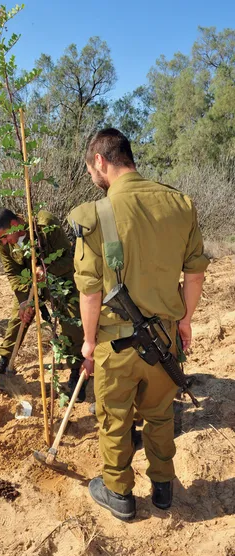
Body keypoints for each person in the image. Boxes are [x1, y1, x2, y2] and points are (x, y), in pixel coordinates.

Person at [69, 128, 209, 521]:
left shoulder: (95, 215)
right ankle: (163, 489)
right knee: (162, 413)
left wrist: (88, 343)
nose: (92, 177)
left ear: (101, 160)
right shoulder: (180, 204)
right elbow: (194, 276)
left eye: (90, 168)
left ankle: (120, 494)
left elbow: (91, 294)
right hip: (164, 338)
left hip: (114, 344)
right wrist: (184, 323)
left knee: (114, 417)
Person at [0, 207, 87, 401]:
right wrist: (24, 303)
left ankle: (76, 372)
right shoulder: (2, 242)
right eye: (0, 240)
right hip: (30, 284)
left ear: (14, 225)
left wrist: (47, 270)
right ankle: (5, 360)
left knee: (72, 321)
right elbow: (12, 273)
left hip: (60, 280)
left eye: (5, 237)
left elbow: (69, 259)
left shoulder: (45, 225)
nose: (4, 243)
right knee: (18, 317)